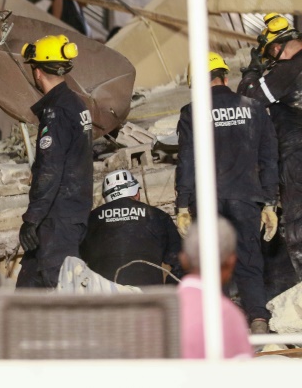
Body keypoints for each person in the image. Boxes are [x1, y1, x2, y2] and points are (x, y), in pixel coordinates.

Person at [177, 52, 278, 333]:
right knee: (249, 258)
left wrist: (182, 205)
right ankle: (258, 319)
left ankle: (219, 325)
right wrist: (270, 202)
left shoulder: (192, 112)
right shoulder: (254, 108)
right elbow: (269, 158)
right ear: (224, 76)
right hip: (246, 197)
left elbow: (186, 162)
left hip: (207, 200)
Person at [16, 35, 93, 288]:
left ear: (37, 72)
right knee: (29, 288)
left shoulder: (56, 111)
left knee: (59, 288)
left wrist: (31, 219)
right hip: (68, 215)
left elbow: (50, 170)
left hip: (57, 219)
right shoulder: (75, 104)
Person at [238, 13, 302, 285]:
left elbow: (249, 98)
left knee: (298, 223)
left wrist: (252, 70)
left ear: (276, 47)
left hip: (296, 153)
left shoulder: (288, 69)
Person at [80, 169, 183, 286]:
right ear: (136, 193)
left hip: (104, 297)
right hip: (148, 296)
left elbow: (74, 260)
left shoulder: (90, 219)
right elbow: (181, 261)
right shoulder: (158, 216)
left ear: (106, 197)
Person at [178, 218, 253, 359]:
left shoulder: (162, 306)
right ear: (231, 260)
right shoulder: (224, 313)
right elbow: (243, 376)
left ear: (183, 259)